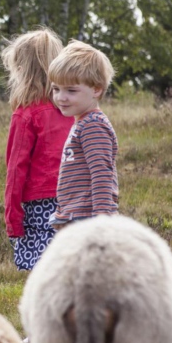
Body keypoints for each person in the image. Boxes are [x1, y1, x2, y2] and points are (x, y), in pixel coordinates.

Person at [1, 28, 74, 271]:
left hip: (39, 208)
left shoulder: (26, 115)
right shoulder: (73, 110)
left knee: (44, 278)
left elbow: (15, 171)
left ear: (22, 70)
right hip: (77, 200)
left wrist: (12, 218)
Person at [47, 40, 118, 229]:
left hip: (87, 218)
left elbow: (101, 174)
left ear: (96, 89)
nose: (61, 97)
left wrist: (102, 221)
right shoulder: (82, 123)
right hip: (74, 215)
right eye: (56, 89)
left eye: (71, 90)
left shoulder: (93, 125)